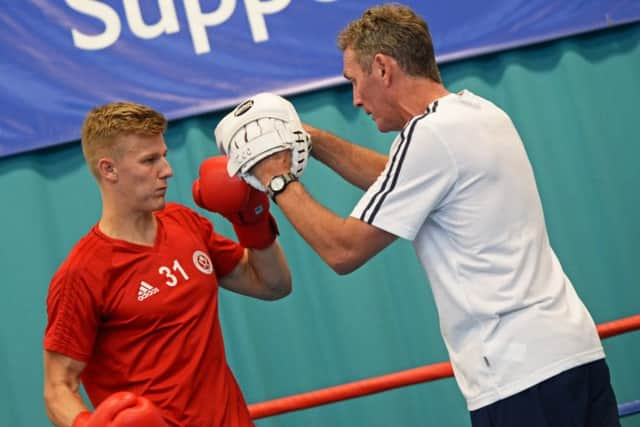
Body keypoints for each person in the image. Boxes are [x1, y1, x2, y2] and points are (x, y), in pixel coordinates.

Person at [248, 4, 620, 426]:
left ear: (384, 69)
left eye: (354, 81)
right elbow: (400, 181)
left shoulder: (428, 135)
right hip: (572, 352)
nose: (355, 99)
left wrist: (277, 179)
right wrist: (311, 140)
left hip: (518, 371)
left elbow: (343, 250)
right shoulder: (478, 113)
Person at [43, 102, 292, 427]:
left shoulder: (183, 222)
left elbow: (273, 285)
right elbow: (57, 387)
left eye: (163, 155)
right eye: (149, 160)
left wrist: (252, 222)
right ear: (109, 169)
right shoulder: (82, 274)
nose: (167, 169)